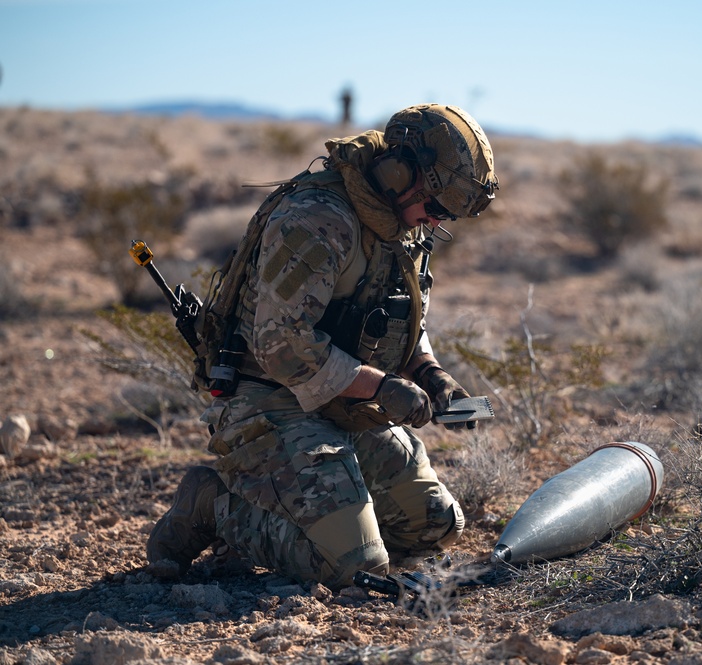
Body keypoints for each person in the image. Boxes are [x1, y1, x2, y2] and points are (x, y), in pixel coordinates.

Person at [146, 104, 499, 588]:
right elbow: (281, 346)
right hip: (267, 399)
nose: (434, 223)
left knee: (434, 525)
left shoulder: (403, 227)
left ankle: (333, 523)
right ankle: (212, 507)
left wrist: (430, 373)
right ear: (400, 175)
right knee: (355, 568)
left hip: (347, 403)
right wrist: (381, 387)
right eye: (435, 207)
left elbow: (403, 321)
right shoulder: (318, 218)